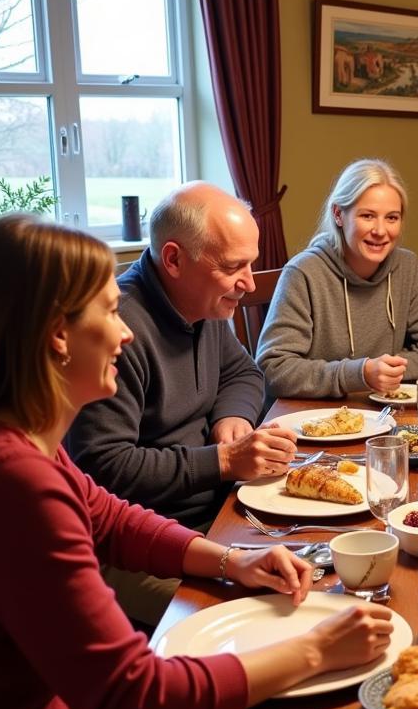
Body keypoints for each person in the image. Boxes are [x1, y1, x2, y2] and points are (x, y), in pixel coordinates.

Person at [0, 215, 393, 709]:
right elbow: (133, 701)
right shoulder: (11, 480)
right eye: (110, 313)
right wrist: (317, 651)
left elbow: (107, 517)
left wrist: (231, 562)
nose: (126, 331)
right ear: (56, 335)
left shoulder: (20, 442)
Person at [68, 182, 297, 624]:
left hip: (218, 514)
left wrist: (233, 415)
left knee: (322, 576)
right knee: (263, 618)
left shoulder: (202, 304)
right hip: (140, 542)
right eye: (234, 266)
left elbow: (242, 372)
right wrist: (223, 461)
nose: (248, 284)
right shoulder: (118, 334)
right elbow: (105, 467)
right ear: (173, 259)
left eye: (251, 264)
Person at [257, 158, 418, 398]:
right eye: (368, 216)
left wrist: (383, 371)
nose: (381, 231)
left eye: (391, 218)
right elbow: (274, 369)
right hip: (315, 418)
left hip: (384, 413)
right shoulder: (304, 273)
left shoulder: (407, 267)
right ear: (339, 214)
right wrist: (358, 374)